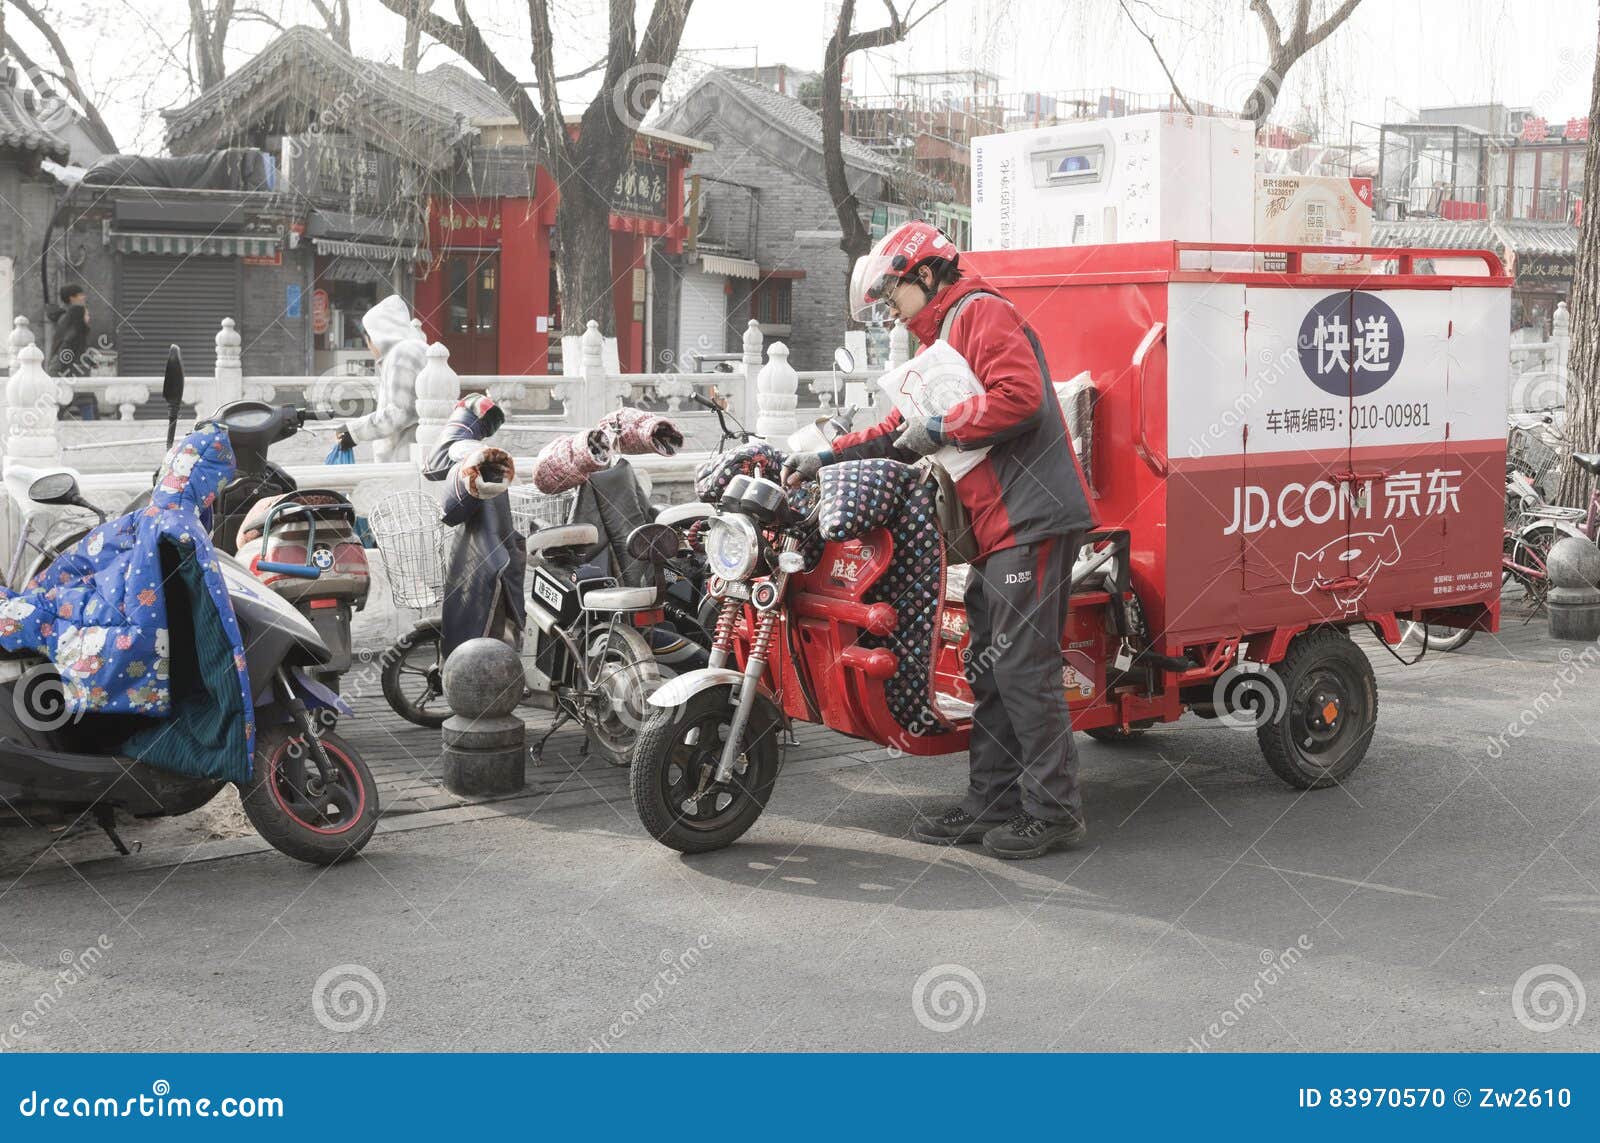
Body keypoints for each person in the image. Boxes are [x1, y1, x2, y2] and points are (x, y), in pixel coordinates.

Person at [784, 221, 1096, 860]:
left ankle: (1054, 812)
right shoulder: (943, 338)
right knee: (991, 665)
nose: (891, 312)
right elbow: (901, 427)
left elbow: (1024, 399)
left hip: (1032, 518)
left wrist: (943, 426)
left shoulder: (981, 314)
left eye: (893, 294)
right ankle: (992, 805)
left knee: (1021, 667)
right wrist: (827, 457)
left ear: (926, 275)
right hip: (998, 527)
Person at [421, 394, 524, 660]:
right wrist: (474, 455)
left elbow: (439, 462)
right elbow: (440, 462)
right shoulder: (475, 461)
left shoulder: (480, 465)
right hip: (494, 550)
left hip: (490, 551)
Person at [338, 294, 425, 463]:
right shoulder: (416, 347)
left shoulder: (402, 354)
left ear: (374, 337)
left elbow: (399, 413)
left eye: (367, 341)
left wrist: (354, 431)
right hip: (419, 450)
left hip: (407, 457)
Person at [49, 284, 91, 378]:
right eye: (80, 295)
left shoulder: (66, 317)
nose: (84, 297)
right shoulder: (74, 316)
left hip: (60, 366)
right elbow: (68, 343)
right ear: (72, 298)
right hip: (62, 369)